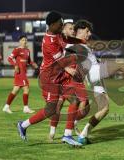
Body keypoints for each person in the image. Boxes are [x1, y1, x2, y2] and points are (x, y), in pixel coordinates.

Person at [16, 12, 83, 147]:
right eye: (60, 23)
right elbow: (61, 60)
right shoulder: (48, 41)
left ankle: (67, 135)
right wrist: (70, 69)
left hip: (58, 75)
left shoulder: (57, 34)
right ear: (52, 25)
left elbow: (67, 40)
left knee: (75, 100)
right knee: (51, 110)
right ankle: (23, 125)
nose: (62, 25)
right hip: (49, 78)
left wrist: (82, 41)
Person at [3, 35, 38, 114]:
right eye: (22, 40)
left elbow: (29, 61)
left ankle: (6, 106)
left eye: (25, 40)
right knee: (26, 88)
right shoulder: (17, 50)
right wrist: (15, 65)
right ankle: (25, 108)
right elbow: (9, 58)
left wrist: (34, 64)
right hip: (20, 73)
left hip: (23, 72)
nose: (24, 41)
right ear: (19, 41)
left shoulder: (27, 51)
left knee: (15, 90)